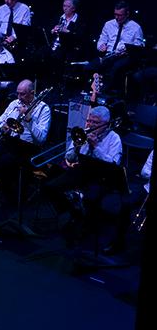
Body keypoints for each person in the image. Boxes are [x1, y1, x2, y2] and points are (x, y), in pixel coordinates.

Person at [42, 105, 123, 245]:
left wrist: (96, 146)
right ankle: (72, 212)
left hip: (101, 177)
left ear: (106, 124)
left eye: (95, 123)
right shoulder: (83, 133)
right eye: (89, 121)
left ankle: (85, 229)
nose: (90, 125)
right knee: (50, 187)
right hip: (81, 171)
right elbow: (69, 157)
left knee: (90, 200)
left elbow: (113, 165)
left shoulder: (114, 139)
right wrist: (77, 146)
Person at [0, 80, 51, 197]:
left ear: (32, 93)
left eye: (22, 94)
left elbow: (41, 138)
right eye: (18, 93)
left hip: (28, 147)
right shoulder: (14, 103)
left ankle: (4, 192)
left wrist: (29, 120)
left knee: (4, 163)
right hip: (10, 141)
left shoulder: (44, 109)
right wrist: (2, 128)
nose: (19, 97)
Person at [93, 0, 144, 95]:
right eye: (115, 14)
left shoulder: (136, 27)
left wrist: (128, 50)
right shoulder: (108, 24)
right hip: (109, 54)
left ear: (127, 14)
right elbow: (102, 38)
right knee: (93, 65)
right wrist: (101, 45)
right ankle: (94, 90)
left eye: (120, 15)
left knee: (116, 67)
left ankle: (107, 92)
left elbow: (139, 47)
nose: (117, 17)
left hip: (125, 56)